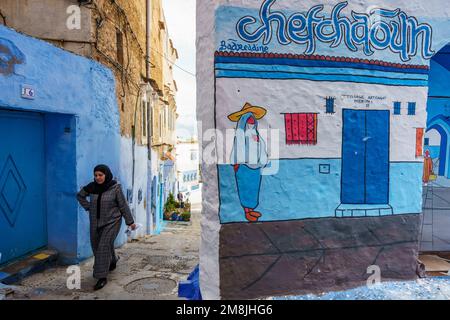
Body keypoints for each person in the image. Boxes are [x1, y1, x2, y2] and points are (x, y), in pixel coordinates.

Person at [77, 164, 136, 291]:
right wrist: (88, 207)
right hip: (95, 222)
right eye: (96, 175)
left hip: (112, 222)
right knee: (97, 245)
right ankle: (112, 260)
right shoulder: (91, 187)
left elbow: (123, 206)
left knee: (103, 246)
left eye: (100, 175)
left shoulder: (115, 188)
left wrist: (130, 221)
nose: (98, 178)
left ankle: (101, 277)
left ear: (106, 174)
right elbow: (80, 196)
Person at [228, 102, 269, 222]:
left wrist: (262, 162)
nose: (251, 120)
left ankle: (251, 209)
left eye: (253, 118)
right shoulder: (240, 134)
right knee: (244, 187)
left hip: (256, 167)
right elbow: (238, 147)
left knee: (254, 188)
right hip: (244, 166)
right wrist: (237, 163)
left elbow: (261, 147)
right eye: (248, 117)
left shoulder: (256, 134)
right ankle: (247, 212)